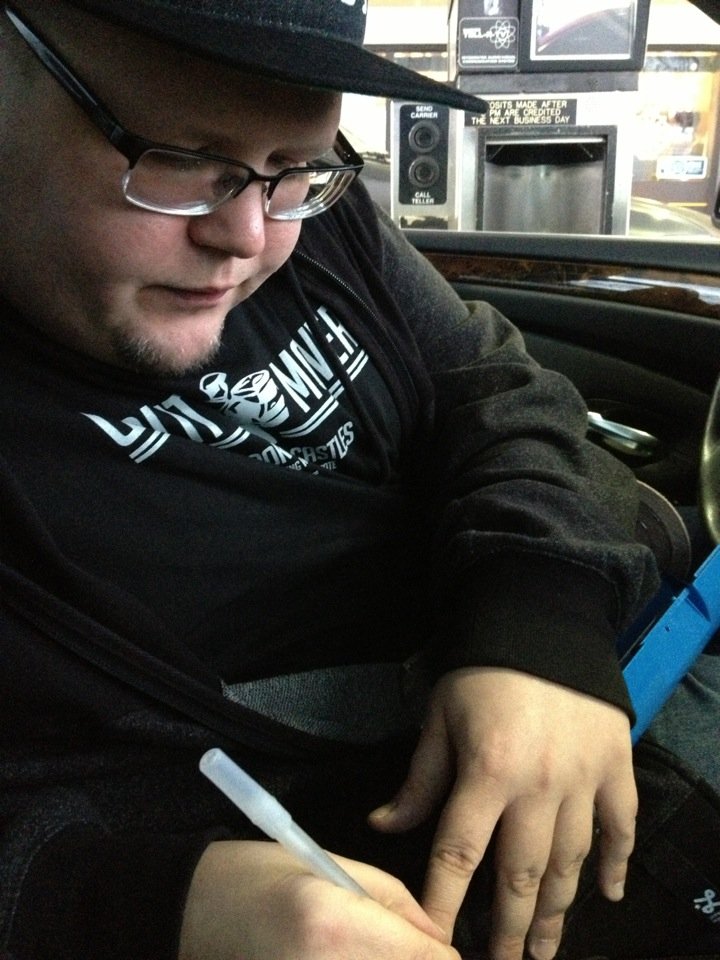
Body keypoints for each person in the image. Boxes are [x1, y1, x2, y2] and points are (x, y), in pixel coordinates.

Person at [0, 2, 659, 959]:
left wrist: (540, 617)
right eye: (183, 161)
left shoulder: (319, 222)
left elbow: (493, 384)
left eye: (296, 166)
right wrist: (147, 905)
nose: (247, 238)